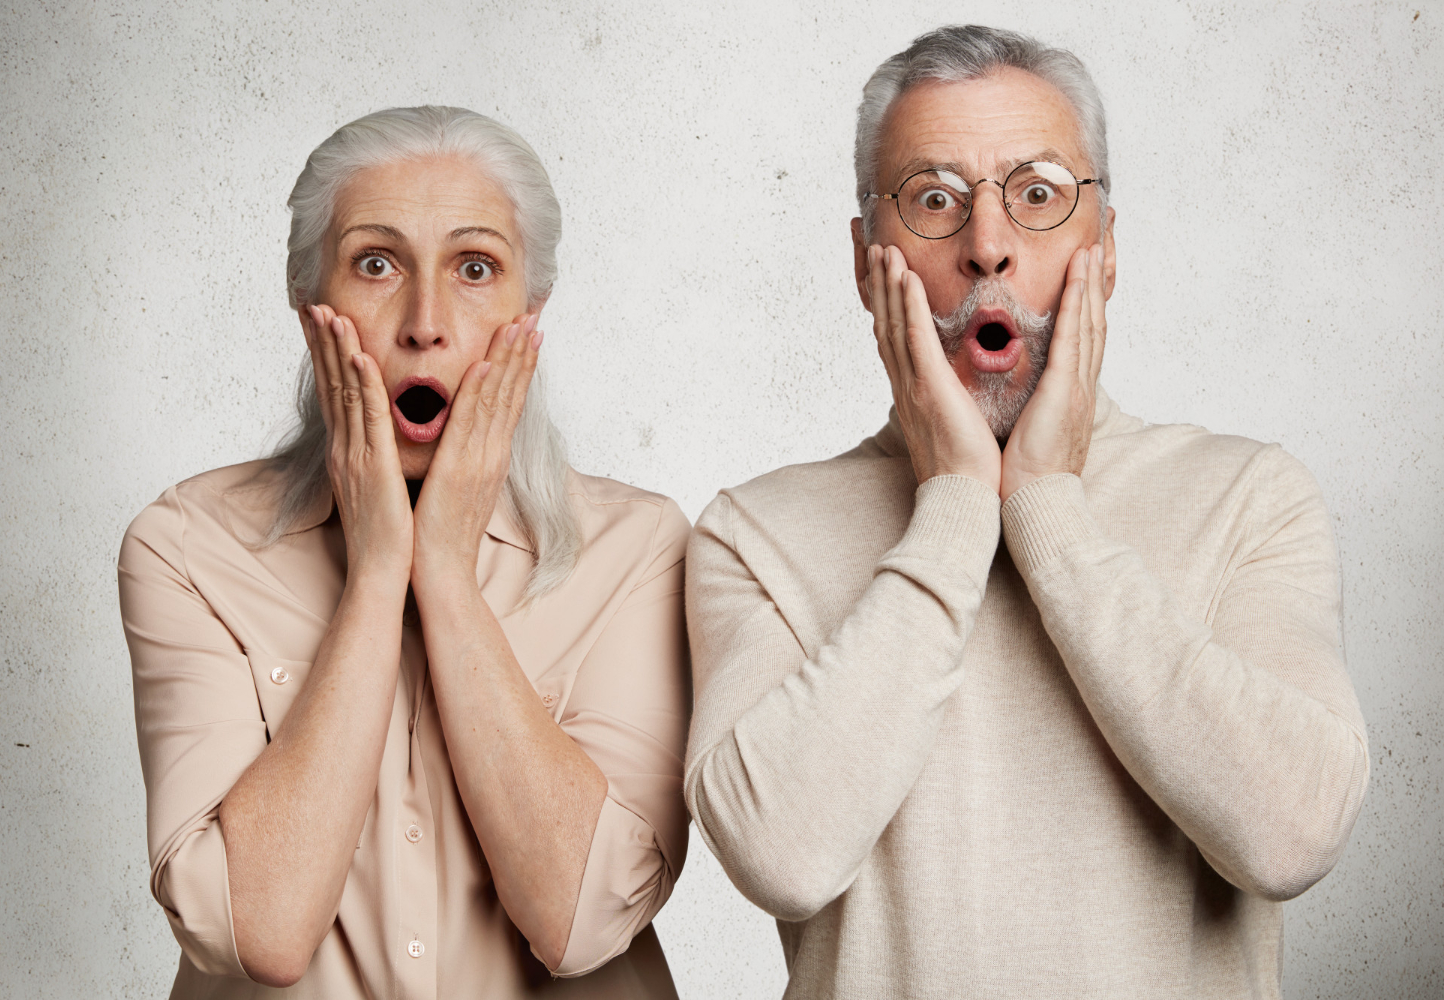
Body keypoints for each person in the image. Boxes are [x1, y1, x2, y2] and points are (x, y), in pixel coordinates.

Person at [684, 25, 1368, 1000]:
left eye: (1038, 195)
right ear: (867, 261)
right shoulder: (755, 535)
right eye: (933, 200)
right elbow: (782, 857)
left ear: (1106, 249)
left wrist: (1049, 507)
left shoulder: (1250, 498)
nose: (988, 247)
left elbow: (1291, 836)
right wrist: (956, 503)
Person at [118, 106, 690, 998]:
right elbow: (258, 930)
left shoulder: (640, 548)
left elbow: (579, 924)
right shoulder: (189, 546)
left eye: (475, 268)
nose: (425, 323)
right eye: (376, 263)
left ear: (530, 310)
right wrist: (379, 573)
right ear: (309, 305)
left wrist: (446, 575)